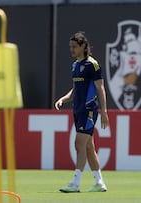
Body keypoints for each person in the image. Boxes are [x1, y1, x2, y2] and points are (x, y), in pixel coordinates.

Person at [55, 31, 109, 193]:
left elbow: (100, 88)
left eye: (74, 46)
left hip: (88, 110)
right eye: (70, 46)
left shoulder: (92, 64)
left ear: (83, 46)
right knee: (88, 148)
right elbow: (75, 90)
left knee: (79, 144)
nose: (71, 49)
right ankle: (99, 183)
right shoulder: (75, 66)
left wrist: (104, 111)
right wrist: (63, 99)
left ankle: (75, 183)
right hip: (78, 110)